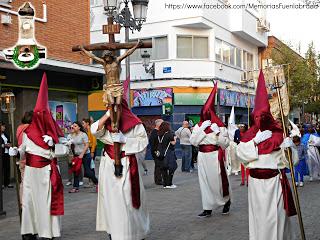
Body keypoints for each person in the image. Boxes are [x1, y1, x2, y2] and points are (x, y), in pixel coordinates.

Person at [236, 70, 297, 240]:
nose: (260, 120)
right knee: (259, 219)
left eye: (263, 116)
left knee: (275, 218)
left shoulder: (278, 134)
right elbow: (241, 154)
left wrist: (288, 147)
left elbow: (290, 162)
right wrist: (255, 141)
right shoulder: (250, 136)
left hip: (274, 184)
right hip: (255, 185)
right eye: (257, 117)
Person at [10, 73, 65, 240]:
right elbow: (23, 148)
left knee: (46, 204)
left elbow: (65, 149)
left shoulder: (54, 133)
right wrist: (16, 151)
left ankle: (48, 232)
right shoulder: (27, 133)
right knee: (28, 203)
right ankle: (29, 231)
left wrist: (53, 144)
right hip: (30, 172)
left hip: (46, 172)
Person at [91, 99, 149, 240]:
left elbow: (143, 141)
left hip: (126, 164)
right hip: (108, 165)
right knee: (110, 200)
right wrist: (106, 115)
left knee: (127, 200)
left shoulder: (135, 123)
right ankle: (113, 231)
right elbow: (94, 130)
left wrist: (125, 140)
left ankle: (133, 232)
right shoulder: (106, 122)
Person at [190, 83, 231, 218]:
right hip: (202, 156)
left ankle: (226, 201)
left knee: (217, 181)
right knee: (204, 182)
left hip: (215, 156)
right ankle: (207, 207)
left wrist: (218, 133)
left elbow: (225, 144)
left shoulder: (220, 127)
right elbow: (193, 142)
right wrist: (202, 130)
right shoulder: (198, 126)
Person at [68, 121, 98, 193]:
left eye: (75, 126)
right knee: (76, 171)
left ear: (79, 127)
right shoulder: (71, 135)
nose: (73, 127)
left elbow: (87, 145)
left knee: (88, 172)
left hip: (85, 154)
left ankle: (97, 183)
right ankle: (75, 187)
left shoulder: (83, 134)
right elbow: (69, 143)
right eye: (72, 126)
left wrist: (82, 154)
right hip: (76, 155)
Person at [16, 111, 33, 202]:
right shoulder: (31, 128)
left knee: (23, 182)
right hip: (31, 158)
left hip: (21, 158)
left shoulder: (19, 128)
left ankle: (23, 202)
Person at [157, 121, 178, 189]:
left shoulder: (159, 134)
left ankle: (165, 184)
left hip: (161, 153)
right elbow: (173, 143)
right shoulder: (169, 134)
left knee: (164, 169)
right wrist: (175, 138)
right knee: (173, 167)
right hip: (169, 153)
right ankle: (169, 183)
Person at [149, 119, 164, 185]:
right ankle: (158, 180)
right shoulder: (154, 132)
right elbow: (153, 144)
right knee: (158, 166)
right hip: (156, 152)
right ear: (159, 124)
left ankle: (159, 179)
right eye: (162, 124)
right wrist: (156, 152)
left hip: (158, 151)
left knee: (159, 165)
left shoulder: (158, 132)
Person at [1, 122, 13, 188]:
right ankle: (2, 183)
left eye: (4, 126)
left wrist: (9, 144)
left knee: (7, 168)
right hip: (1, 154)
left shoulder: (5, 134)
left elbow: (9, 142)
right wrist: (4, 145)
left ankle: (7, 183)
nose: (4, 127)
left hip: (6, 153)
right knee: (2, 168)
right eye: (3, 126)